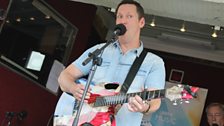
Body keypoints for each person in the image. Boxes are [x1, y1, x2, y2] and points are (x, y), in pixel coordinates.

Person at [58, 0, 166, 126]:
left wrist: (145, 107)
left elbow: (155, 101)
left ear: (141, 22)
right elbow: (64, 77)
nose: (123, 20)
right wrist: (73, 88)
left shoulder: (154, 62)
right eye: (119, 16)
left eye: (129, 16)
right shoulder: (99, 50)